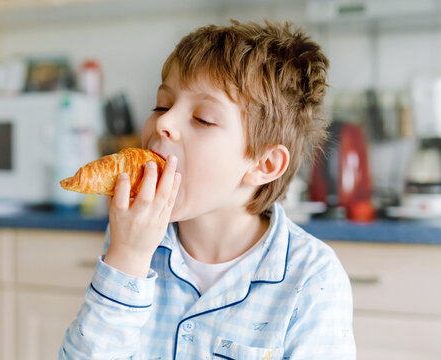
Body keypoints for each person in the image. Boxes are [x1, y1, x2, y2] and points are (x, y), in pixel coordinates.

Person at [59, 19, 355, 360]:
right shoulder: (133, 240)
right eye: (162, 105)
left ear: (264, 164)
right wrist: (126, 260)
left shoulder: (312, 278)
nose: (164, 122)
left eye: (203, 119)